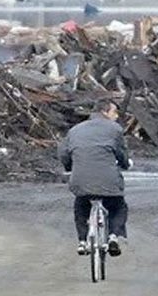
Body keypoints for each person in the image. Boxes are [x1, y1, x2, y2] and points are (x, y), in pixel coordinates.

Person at [58, 100, 132, 257]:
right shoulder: (115, 129)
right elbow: (121, 154)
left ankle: (82, 241)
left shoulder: (75, 130)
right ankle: (113, 236)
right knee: (118, 206)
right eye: (115, 112)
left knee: (81, 205)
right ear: (105, 112)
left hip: (80, 179)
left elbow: (64, 153)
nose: (116, 116)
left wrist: (69, 167)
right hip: (109, 180)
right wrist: (125, 164)